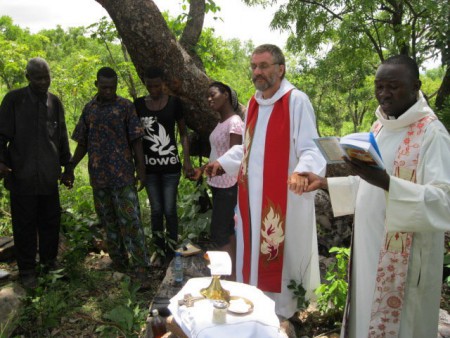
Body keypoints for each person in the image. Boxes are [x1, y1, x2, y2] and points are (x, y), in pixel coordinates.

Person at [299, 55, 450, 338]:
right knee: (365, 313)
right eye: (379, 86)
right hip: (369, 247)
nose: (383, 94)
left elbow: (444, 201)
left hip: (406, 260)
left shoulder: (432, 134)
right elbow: (369, 188)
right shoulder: (379, 126)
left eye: (392, 86)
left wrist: (390, 184)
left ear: (416, 86)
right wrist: (324, 183)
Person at [205, 44, 326, 318]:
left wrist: (302, 172)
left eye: (264, 66)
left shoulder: (296, 101)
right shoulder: (254, 104)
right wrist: (221, 163)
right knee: (252, 254)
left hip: (285, 198)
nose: (257, 72)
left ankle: (284, 312)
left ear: (280, 69)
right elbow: (248, 149)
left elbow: (311, 148)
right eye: (254, 67)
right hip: (250, 199)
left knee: (283, 258)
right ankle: (255, 305)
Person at [65, 67, 151, 286]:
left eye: (112, 87)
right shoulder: (89, 109)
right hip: (99, 177)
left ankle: (141, 266)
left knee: (131, 221)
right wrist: (71, 166)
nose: (108, 91)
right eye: (104, 87)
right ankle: (119, 262)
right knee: (109, 223)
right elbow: (82, 142)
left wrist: (141, 169)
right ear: (96, 85)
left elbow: (136, 139)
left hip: (123, 176)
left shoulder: (125, 107)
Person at [0, 57, 72, 288]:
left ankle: (49, 263)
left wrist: (67, 167)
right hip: (22, 175)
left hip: (48, 176)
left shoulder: (55, 102)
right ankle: (27, 270)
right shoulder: (14, 100)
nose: (44, 82)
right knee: (24, 225)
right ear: (27, 77)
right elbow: (1, 137)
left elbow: (61, 137)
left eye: (47, 77)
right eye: (38, 78)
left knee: (51, 221)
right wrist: (1, 163)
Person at [134, 67, 194, 267]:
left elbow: (183, 133)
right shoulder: (139, 105)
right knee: (156, 210)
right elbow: (136, 138)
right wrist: (140, 168)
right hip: (150, 170)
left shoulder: (174, 103)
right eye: (149, 85)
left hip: (171, 168)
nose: (153, 89)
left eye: (157, 85)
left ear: (164, 84)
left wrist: (186, 160)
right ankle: (158, 250)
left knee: (169, 210)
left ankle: (172, 250)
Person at [194, 82, 244, 280]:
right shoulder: (220, 123)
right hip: (218, 183)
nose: (209, 99)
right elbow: (217, 154)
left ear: (226, 94)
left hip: (229, 184)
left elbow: (234, 155)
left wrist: (215, 169)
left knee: (220, 231)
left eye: (213, 94)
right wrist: (202, 170)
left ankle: (229, 278)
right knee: (226, 230)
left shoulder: (235, 122)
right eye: (207, 96)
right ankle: (231, 275)